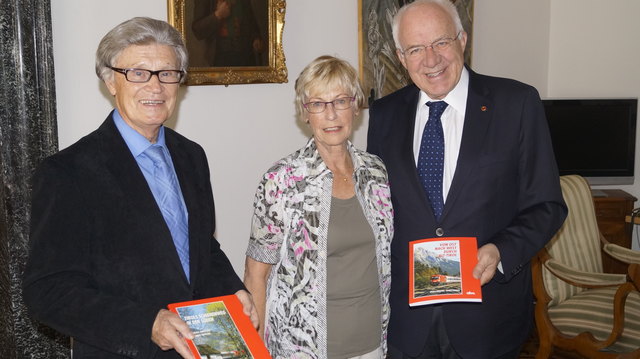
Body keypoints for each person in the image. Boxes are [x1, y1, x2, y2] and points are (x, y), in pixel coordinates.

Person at [22, 17, 257, 359]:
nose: (155, 86)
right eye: (138, 72)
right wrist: (146, 324)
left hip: (200, 348)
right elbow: (49, 290)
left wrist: (234, 290)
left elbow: (201, 249)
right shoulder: (68, 172)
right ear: (110, 81)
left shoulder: (191, 156)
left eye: (167, 73)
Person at [366, 1, 568, 358]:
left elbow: (547, 205)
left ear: (462, 39)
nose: (431, 59)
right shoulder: (384, 115)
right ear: (401, 56)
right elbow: (381, 211)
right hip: (407, 325)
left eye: (441, 42)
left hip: (488, 320)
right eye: (416, 48)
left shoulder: (516, 104)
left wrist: (501, 251)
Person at [243, 55, 394, 359]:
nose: (331, 114)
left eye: (340, 101)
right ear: (305, 112)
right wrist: (255, 349)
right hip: (302, 347)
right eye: (318, 104)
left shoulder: (376, 172)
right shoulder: (282, 180)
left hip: (372, 343)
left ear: (355, 106)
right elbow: (255, 275)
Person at [192, 0, 265, 67]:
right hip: (219, 57)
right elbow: (198, 31)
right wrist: (218, 15)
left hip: (246, 55)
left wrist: (256, 38)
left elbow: (250, 20)